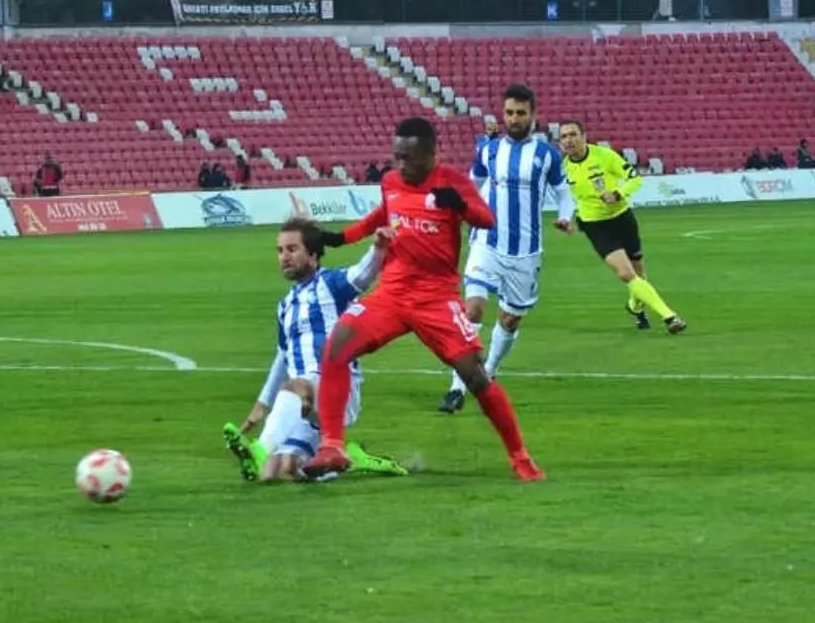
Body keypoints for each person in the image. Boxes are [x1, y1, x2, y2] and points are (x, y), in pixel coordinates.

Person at [307, 117, 546, 482]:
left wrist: (460, 206)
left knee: (475, 377)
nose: (402, 165)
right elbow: (381, 216)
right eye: (398, 156)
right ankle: (332, 445)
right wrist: (340, 238)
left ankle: (520, 457)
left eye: (411, 158)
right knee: (336, 347)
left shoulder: (452, 182)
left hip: (436, 299)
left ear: (434, 154)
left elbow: (487, 219)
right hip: (392, 293)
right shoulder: (390, 181)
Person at [223, 217, 408, 483]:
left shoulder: (331, 284)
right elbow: (283, 357)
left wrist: (378, 249)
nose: (284, 257)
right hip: (303, 402)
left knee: (295, 386)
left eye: (292, 249)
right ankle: (351, 459)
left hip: (336, 390)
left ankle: (259, 449)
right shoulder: (284, 306)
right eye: (280, 250)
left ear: (313, 255)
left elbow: (362, 275)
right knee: (275, 472)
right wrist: (260, 406)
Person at [438, 83, 574, 415]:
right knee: (472, 310)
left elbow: (563, 192)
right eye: (509, 112)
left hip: (526, 252)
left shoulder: (547, 155)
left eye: (520, 113)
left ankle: (490, 369)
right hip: (487, 242)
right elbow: (474, 186)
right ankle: (458, 386)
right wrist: (460, 210)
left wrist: (565, 216)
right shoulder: (488, 150)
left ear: (533, 115)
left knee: (510, 320)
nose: (514, 119)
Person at [557, 120, 687, 334]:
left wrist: (618, 194)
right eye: (563, 137)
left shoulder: (604, 156)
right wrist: (565, 219)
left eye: (573, 134)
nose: (568, 140)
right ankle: (669, 316)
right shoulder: (563, 169)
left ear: (584, 136)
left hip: (622, 218)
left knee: (639, 275)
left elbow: (634, 179)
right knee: (626, 274)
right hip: (594, 225)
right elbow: (567, 198)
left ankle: (635, 307)